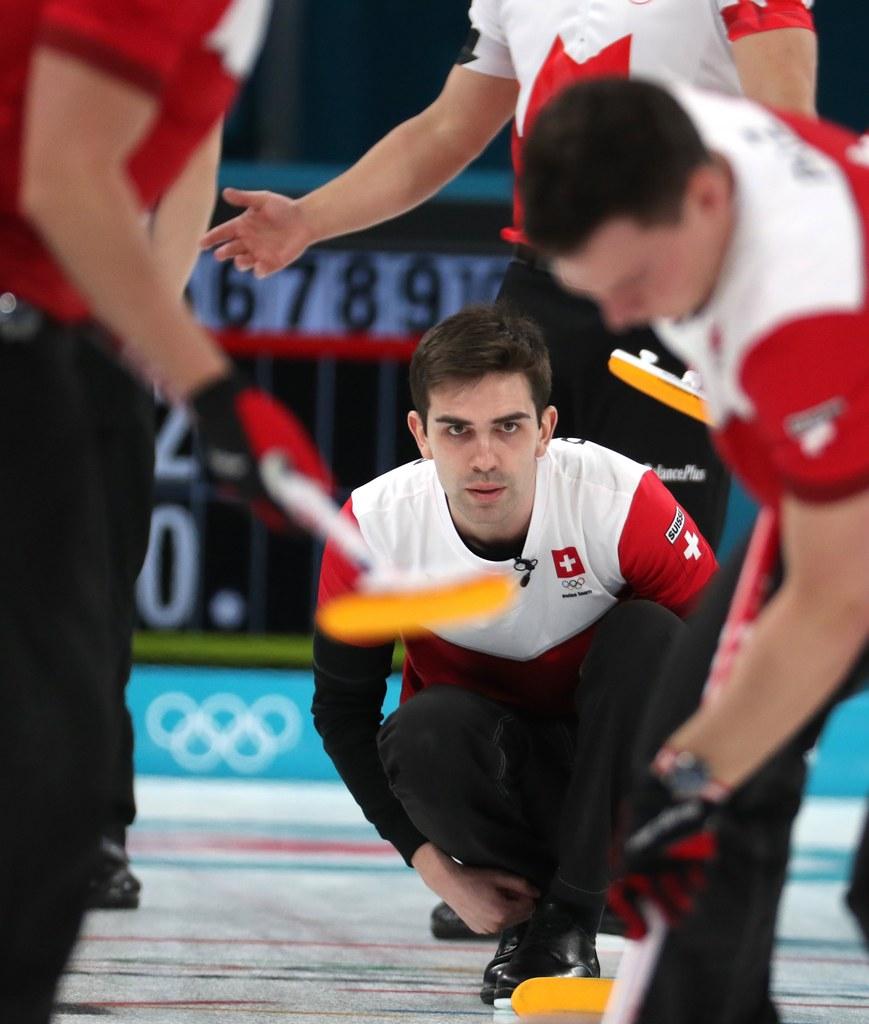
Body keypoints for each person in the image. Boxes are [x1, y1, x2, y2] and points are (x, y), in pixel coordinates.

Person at [202, 0, 817, 554]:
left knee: (658, 580)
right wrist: (308, 219)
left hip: (670, 301)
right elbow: (448, 130)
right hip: (541, 299)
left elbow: (787, 127)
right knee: (494, 561)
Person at [0, 3, 333, 1019]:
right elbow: (62, 175)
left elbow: (160, 144)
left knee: (56, 744)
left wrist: (148, 320)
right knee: (47, 755)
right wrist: (214, 390)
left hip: (44, 328)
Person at [520, 77, 869, 1022]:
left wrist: (695, 776)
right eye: (599, 294)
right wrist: (699, 772)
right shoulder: (656, 129)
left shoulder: (800, 313)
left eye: (633, 285)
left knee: (700, 782)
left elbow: (837, 598)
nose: (629, 320)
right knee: (698, 773)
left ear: (708, 197)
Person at [313, 303, 717, 1003]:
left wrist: (695, 842)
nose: (483, 459)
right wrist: (439, 874)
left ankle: (575, 911)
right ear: (420, 434)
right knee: (421, 732)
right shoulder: (373, 530)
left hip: (626, 790)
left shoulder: (620, 502)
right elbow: (343, 712)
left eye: (508, 427)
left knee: (652, 637)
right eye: (456, 430)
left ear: (546, 430)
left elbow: (720, 672)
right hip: (496, 782)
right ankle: (550, 909)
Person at [86, 127, 225, 910]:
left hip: (95, 342)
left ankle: (93, 829)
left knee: (93, 605)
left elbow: (193, 142)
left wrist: (146, 322)